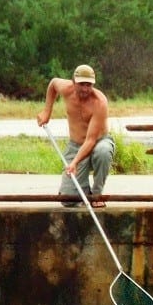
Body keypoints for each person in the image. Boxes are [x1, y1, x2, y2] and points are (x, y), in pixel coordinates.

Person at [37, 64, 115, 207]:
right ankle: (82, 192)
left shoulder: (100, 102)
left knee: (103, 152)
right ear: (73, 82)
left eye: (89, 85)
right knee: (68, 200)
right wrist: (47, 111)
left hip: (98, 142)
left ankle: (96, 195)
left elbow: (91, 140)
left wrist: (74, 162)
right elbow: (53, 83)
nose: (85, 89)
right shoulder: (66, 89)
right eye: (81, 84)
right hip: (75, 144)